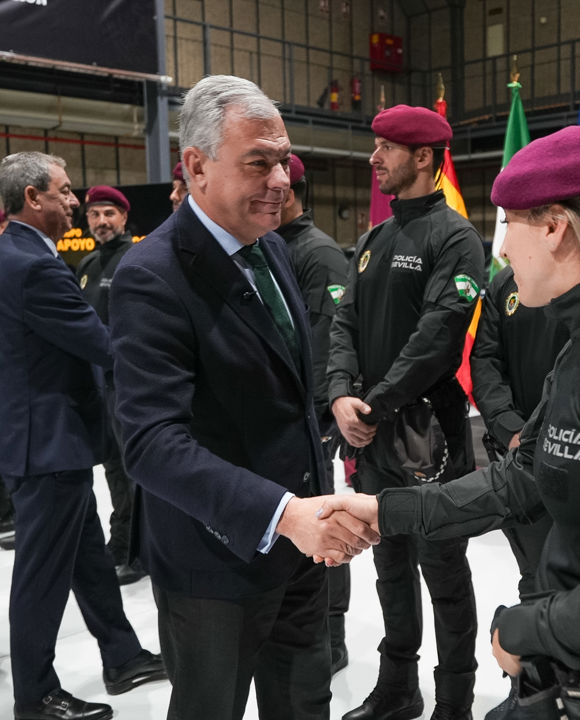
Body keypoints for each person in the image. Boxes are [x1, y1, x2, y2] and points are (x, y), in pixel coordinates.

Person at [319, 122, 580, 720]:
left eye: (510, 224)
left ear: (556, 228)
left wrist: (524, 629)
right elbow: (520, 477)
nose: (504, 249)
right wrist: (385, 510)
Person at [108, 75, 377, 720]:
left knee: (305, 703)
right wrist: (283, 513)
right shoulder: (152, 275)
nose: (281, 180)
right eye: (259, 163)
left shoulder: (271, 250)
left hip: (302, 552)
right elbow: (151, 444)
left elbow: (288, 398)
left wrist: (315, 510)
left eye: (283, 160)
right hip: (215, 564)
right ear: (196, 166)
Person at [328, 103, 484, 720]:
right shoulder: (373, 239)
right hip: (371, 432)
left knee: (443, 571)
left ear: (423, 156)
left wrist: (375, 402)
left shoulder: (456, 237)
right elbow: (344, 320)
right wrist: (340, 393)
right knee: (389, 565)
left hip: (427, 433)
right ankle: (398, 688)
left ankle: (455, 701)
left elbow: (439, 335)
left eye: (386, 147)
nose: (374, 158)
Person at [0, 151, 167, 720]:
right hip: (47, 445)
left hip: (44, 439)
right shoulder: (35, 266)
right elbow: (100, 343)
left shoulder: (14, 255)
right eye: (65, 191)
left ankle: (122, 656)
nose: (75, 201)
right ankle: (35, 696)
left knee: (86, 557)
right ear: (32, 197)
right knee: (41, 576)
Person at [469, 264, 568, 719]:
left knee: (569, 584)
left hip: (577, 459)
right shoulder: (505, 282)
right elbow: (485, 359)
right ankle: (529, 690)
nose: (506, 243)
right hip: (517, 458)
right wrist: (511, 429)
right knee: (532, 577)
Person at [275, 152, 353, 675]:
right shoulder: (269, 247)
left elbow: (327, 345)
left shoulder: (317, 253)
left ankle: (333, 635)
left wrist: (320, 422)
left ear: (287, 191)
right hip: (279, 420)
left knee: (323, 522)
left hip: (308, 420)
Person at [75, 185, 145, 586]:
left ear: (123, 217)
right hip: (98, 385)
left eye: (109, 214)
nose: (101, 222)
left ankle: (139, 549)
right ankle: (121, 543)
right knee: (114, 468)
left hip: (130, 384)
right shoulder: (87, 264)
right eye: (94, 214)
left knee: (135, 468)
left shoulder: (136, 258)